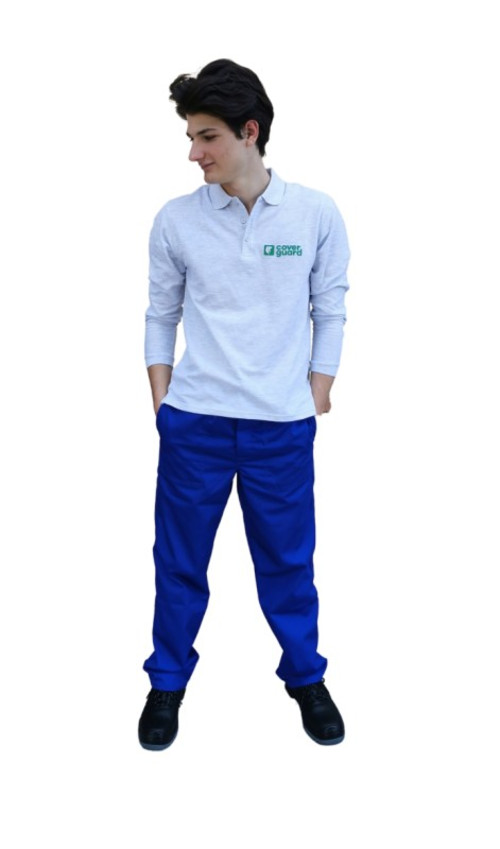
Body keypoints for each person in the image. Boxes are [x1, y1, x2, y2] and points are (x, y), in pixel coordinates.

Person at [139, 59, 350, 750]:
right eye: (191, 138)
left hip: (279, 429)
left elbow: (329, 306)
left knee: (288, 563)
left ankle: (306, 676)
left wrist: (317, 389)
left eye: (207, 137)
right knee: (179, 562)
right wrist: (163, 401)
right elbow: (160, 313)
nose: (193, 153)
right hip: (195, 424)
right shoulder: (176, 220)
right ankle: (167, 681)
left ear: (249, 131)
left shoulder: (314, 213)